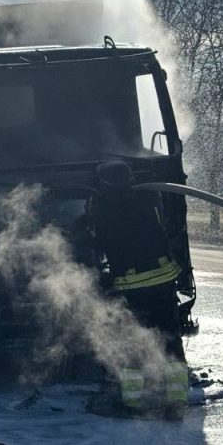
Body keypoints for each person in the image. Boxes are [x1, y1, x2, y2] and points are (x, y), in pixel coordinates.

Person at [84, 160, 189, 419]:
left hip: (134, 285)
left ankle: (133, 401)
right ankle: (176, 402)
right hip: (164, 279)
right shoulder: (148, 199)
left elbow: (99, 242)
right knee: (169, 338)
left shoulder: (105, 211)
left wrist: (87, 222)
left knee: (132, 342)